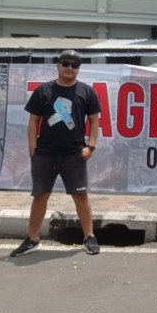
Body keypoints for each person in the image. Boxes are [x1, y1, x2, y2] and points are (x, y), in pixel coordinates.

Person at [10, 50, 102, 257]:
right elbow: (33, 120)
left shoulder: (86, 91)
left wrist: (91, 146)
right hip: (45, 153)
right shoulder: (43, 90)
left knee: (80, 196)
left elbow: (94, 121)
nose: (70, 68)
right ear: (58, 65)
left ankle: (89, 237)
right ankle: (32, 240)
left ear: (79, 68)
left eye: (75, 65)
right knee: (40, 196)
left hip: (74, 153)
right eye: (66, 63)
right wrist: (32, 148)